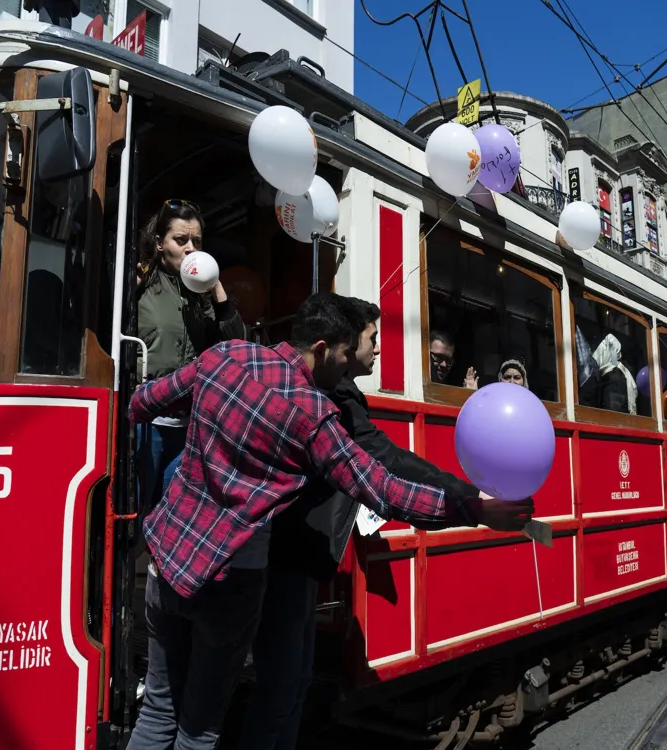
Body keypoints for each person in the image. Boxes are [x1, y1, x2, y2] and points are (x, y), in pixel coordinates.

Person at [125, 293, 532, 750]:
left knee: (158, 710)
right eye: (344, 352)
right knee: (199, 729)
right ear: (321, 349)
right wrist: (475, 509)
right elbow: (381, 488)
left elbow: (142, 402)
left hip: (166, 561)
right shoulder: (311, 415)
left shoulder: (224, 356)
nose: (347, 362)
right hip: (229, 578)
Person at [135, 199, 245, 516]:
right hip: (147, 420)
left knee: (176, 512)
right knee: (139, 505)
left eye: (196, 241)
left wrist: (218, 291)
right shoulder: (144, 283)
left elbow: (235, 345)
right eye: (180, 240)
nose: (190, 248)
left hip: (188, 424)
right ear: (159, 243)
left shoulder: (202, 293)